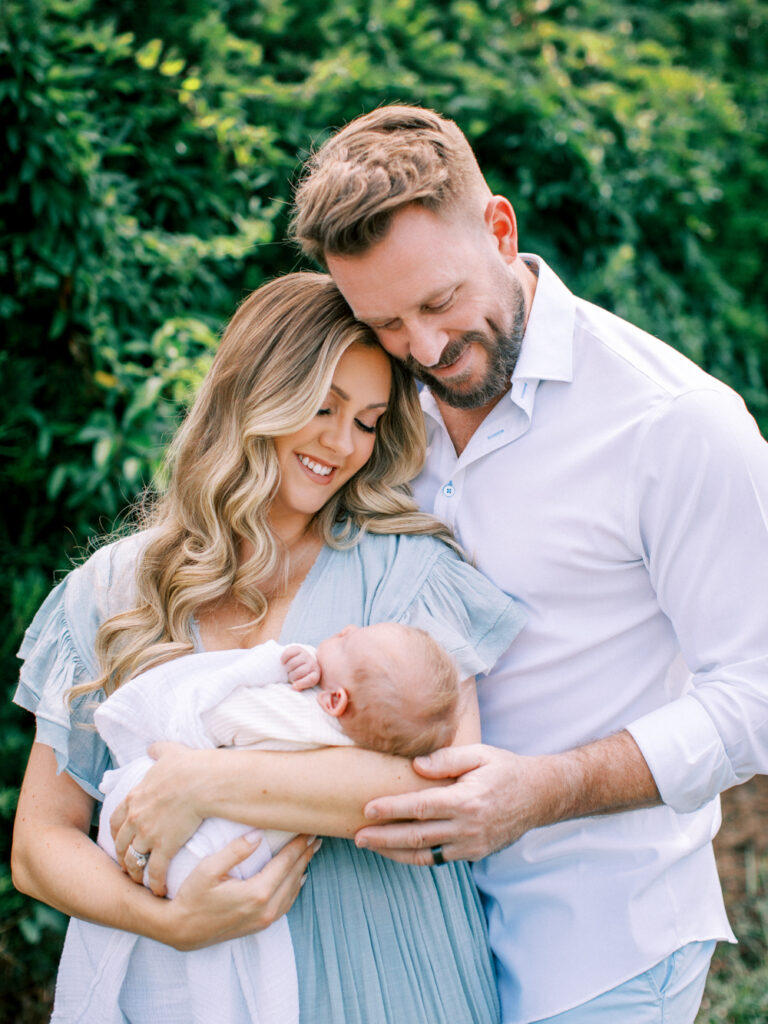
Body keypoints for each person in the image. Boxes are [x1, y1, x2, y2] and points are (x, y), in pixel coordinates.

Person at [285, 106, 768, 1023]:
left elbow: (757, 691)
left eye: (439, 303)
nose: (424, 350)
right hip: (403, 935)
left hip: (603, 944)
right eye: (385, 321)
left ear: (501, 229)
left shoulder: (676, 423)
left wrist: (546, 788)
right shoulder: (365, 412)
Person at [12, 270, 526, 1023]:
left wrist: (201, 784)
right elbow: (37, 846)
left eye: (367, 420)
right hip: (188, 988)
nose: (342, 445)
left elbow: (435, 795)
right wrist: (169, 923)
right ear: (253, 395)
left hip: (392, 977)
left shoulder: (409, 572)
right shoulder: (118, 588)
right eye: (322, 408)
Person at [51, 623, 460, 1023]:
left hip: (204, 848)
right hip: (221, 860)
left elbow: (220, 714)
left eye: (349, 642)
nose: (347, 628)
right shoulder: (359, 732)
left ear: (335, 701)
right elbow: (38, 845)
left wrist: (276, 674)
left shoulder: (292, 712)